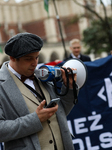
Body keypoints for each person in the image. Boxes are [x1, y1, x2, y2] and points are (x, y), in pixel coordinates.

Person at [0, 32, 78, 150]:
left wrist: (69, 87)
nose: (35, 63)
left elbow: (60, 113)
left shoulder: (42, 74)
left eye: (37, 57)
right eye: (28, 59)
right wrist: (35, 119)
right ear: (12, 58)